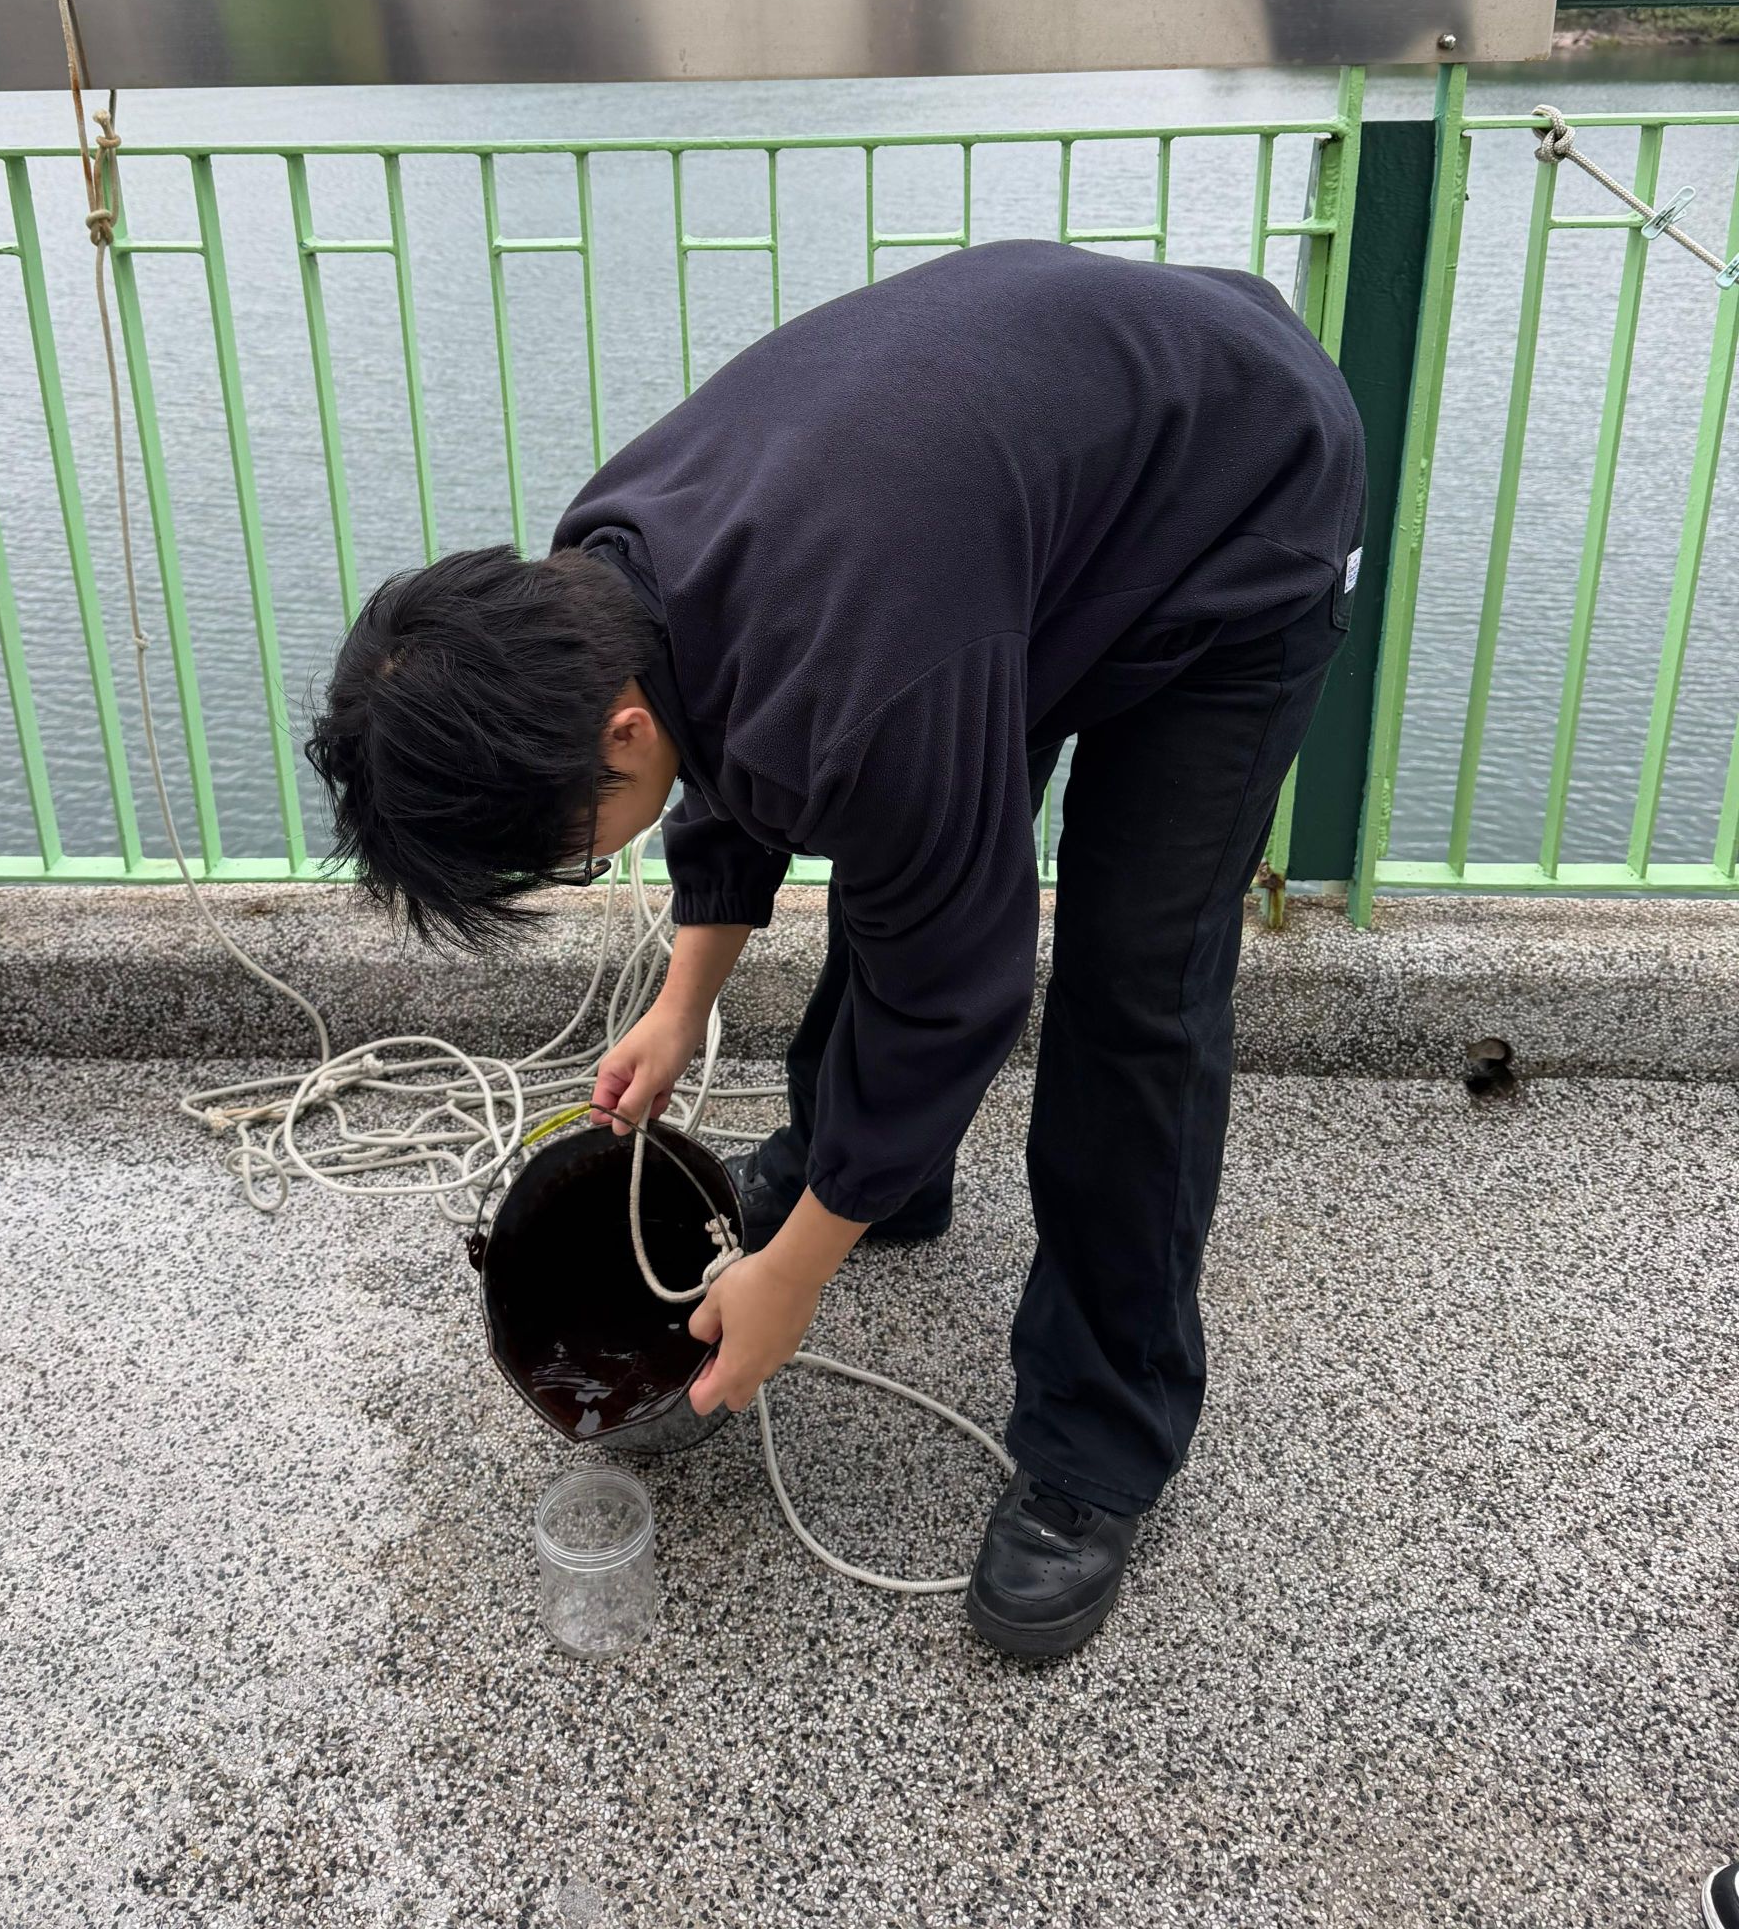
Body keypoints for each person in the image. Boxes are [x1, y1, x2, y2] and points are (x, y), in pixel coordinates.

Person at [307, 240, 1365, 1658]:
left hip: (1236, 495)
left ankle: (1103, 1437)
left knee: (1135, 992)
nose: (582, 864)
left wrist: (794, 1275)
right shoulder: (597, 584)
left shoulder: (861, 677)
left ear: (615, 730)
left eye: (568, 849)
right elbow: (730, 741)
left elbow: (957, 981)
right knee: (897, 825)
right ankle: (881, 1178)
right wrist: (684, 1001)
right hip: (1006, 526)